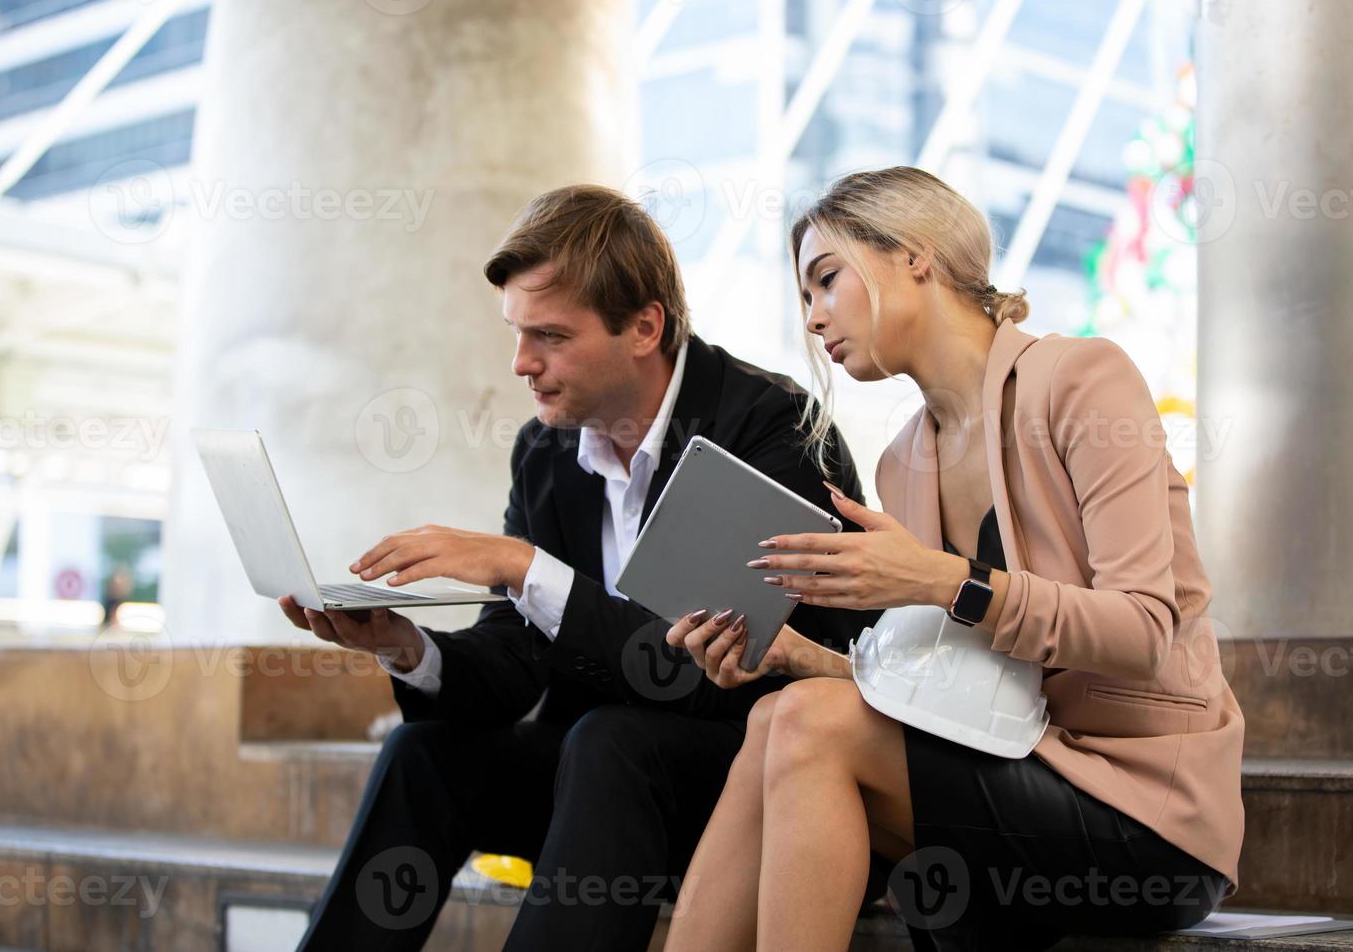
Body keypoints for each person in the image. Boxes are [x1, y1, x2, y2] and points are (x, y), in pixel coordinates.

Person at [278, 184, 880, 950]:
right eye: (517, 334)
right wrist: (404, 647)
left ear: (643, 327)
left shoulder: (769, 428)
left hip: (750, 787)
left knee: (611, 738)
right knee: (422, 754)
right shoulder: (547, 451)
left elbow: (696, 672)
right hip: (597, 797)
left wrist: (525, 566)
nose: (521, 364)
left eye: (551, 337)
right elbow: (514, 662)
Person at [664, 167, 1245, 951]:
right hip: (1016, 763)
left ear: (915, 256)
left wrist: (942, 580)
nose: (813, 318)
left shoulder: (1081, 380)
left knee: (803, 725)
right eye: (805, 299)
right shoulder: (908, 459)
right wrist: (802, 657)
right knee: (777, 712)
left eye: (826, 281)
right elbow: (951, 686)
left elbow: (1143, 632)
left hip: (1147, 813)